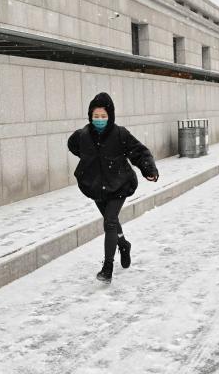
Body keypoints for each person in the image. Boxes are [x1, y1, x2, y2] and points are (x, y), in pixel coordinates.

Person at [68, 92, 158, 283]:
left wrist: (148, 168)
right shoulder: (82, 135)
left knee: (109, 221)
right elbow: (73, 145)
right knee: (112, 221)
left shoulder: (120, 134)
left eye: (103, 116)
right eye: (96, 116)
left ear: (110, 116)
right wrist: (91, 162)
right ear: (90, 116)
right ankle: (124, 244)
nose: (99, 120)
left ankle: (107, 267)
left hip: (119, 185)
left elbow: (139, 152)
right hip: (96, 186)